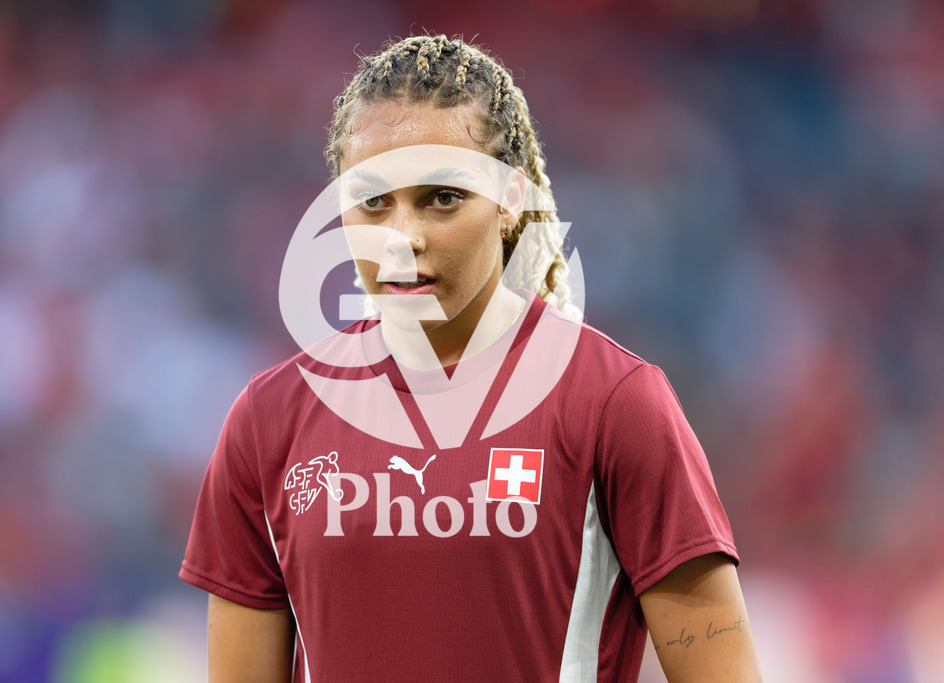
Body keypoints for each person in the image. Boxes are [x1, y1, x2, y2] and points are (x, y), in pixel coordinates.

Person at [180, 34, 762, 682]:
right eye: (373, 201)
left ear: (512, 198)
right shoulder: (268, 424)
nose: (405, 237)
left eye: (442, 198)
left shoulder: (615, 404)